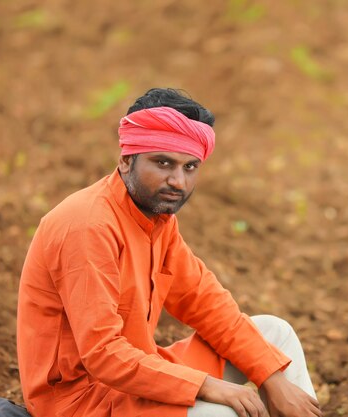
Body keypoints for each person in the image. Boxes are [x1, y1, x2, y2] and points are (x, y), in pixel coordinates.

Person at [16, 88, 323, 417]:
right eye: (163, 163)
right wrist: (206, 385)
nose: (177, 181)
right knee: (225, 413)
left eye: (190, 167)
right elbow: (103, 354)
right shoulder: (88, 226)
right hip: (84, 403)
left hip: (140, 379)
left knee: (275, 336)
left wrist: (273, 381)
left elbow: (209, 306)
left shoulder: (158, 221)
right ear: (126, 159)